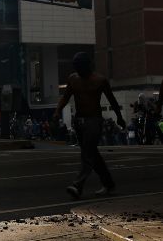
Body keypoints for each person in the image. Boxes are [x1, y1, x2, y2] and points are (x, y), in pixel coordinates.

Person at [53, 52, 125, 200]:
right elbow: (65, 97)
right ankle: (109, 183)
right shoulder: (73, 79)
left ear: (87, 65)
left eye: (80, 66)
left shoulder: (100, 80)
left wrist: (119, 117)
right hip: (79, 121)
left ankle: (77, 185)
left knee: (87, 154)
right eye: (76, 66)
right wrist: (57, 111)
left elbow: (111, 100)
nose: (78, 69)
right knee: (92, 154)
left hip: (94, 120)